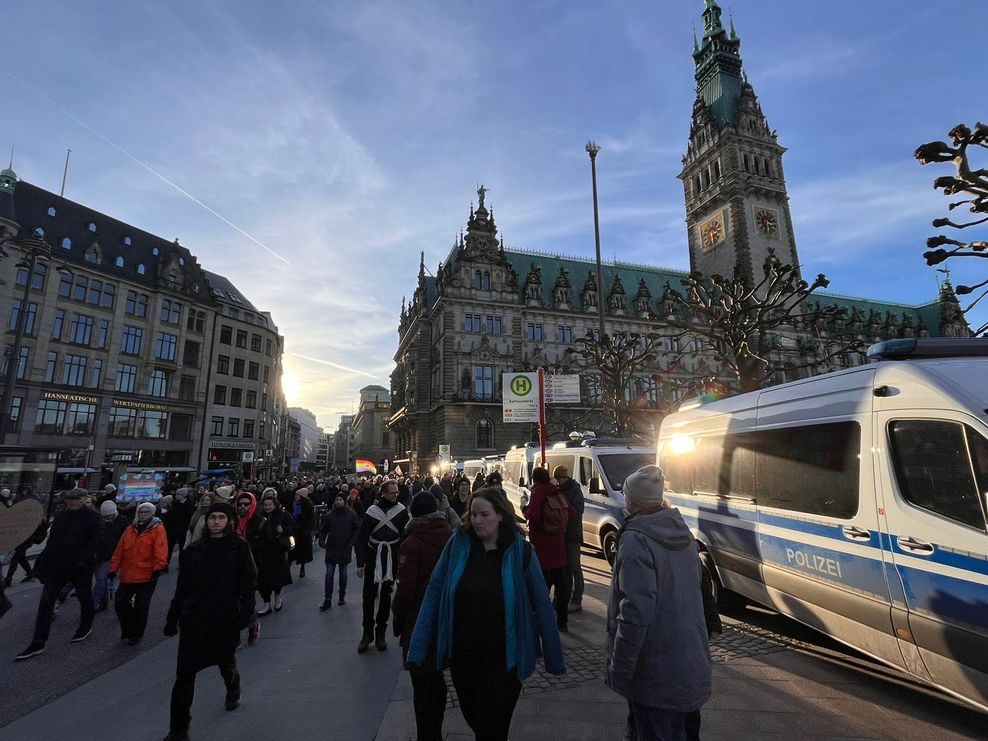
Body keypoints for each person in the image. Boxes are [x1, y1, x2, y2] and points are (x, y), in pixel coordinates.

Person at [408, 488, 565, 741]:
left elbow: (542, 606)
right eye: (474, 515)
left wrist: (553, 657)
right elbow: (435, 592)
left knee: (494, 727)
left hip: (504, 660)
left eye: (484, 514)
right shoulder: (457, 545)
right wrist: (418, 646)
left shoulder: (521, 553)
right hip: (464, 657)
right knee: (476, 719)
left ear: (501, 515)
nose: (477, 520)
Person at [605, 466, 712, 741]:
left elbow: (634, 612)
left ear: (631, 501)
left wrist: (620, 667)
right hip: (689, 663)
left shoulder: (636, 539)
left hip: (654, 671)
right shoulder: (682, 532)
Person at [163, 501, 257, 741]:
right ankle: (179, 729)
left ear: (229, 521)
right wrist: (173, 618)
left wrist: (246, 614)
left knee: (225, 661)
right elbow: (182, 587)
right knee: (184, 675)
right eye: (212, 517)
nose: (216, 522)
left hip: (224, 616)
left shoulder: (238, 547)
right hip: (195, 617)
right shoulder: (194, 551)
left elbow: (248, 582)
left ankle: (233, 686)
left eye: (221, 518)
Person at [392, 492, 453, 741]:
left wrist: (397, 614)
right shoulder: (450, 537)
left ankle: (426, 736)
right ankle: (435, 731)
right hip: (445, 614)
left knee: (420, 679)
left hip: (419, 617)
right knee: (436, 676)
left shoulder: (412, 542)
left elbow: (406, 588)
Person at [16, 488, 102, 660]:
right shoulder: (61, 517)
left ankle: (85, 626)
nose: (73, 502)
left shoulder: (94, 517)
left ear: (85, 499)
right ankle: (38, 641)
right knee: (46, 602)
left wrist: (81, 561)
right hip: (58, 567)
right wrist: (43, 563)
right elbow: (52, 542)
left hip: (80, 568)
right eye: (70, 499)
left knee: (84, 597)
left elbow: (95, 543)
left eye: (77, 499)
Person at [355, 479, 408, 653]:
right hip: (372, 556)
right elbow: (362, 538)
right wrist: (360, 563)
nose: (395, 495)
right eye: (392, 492)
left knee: (386, 595)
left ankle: (380, 633)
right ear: (384, 493)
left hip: (391, 557)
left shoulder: (401, 512)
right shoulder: (372, 512)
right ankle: (367, 632)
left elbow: (404, 538)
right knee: (368, 595)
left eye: (397, 493)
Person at [111, 501, 169, 645]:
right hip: (128, 573)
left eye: (146, 512)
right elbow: (120, 549)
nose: (143, 515)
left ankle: (136, 633)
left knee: (141, 606)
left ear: (152, 513)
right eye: (141, 512)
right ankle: (128, 628)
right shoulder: (130, 528)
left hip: (147, 574)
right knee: (120, 603)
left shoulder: (157, 529)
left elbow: (160, 549)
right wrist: (113, 568)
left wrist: (159, 567)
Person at [525, 467, 575, 632]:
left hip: (542, 548)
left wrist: (525, 510)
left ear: (534, 479)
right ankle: (563, 622)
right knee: (561, 588)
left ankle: (541, 622)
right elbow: (572, 512)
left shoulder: (537, 493)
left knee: (542, 588)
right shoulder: (557, 492)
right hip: (558, 546)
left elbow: (534, 515)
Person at [252, 491, 295, 615]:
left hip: (278, 550)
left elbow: (294, 527)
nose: (267, 507)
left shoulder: (283, 515)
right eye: (265, 505)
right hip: (262, 551)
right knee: (263, 579)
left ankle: (277, 597)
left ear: (275, 505)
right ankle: (266, 603)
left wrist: (284, 530)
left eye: (269, 505)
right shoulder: (259, 516)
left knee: (277, 577)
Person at [317, 493, 360, 611]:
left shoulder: (351, 514)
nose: (338, 502)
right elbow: (323, 529)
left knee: (343, 574)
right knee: (329, 574)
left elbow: (356, 529)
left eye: (340, 499)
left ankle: (341, 595)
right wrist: (321, 540)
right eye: (337, 499)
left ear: (344, 501)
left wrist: (351, 542)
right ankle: (327, 599)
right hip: (332, 548)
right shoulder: (330, 515)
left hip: (344, 548)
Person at [553, 465, 585, 613]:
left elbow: (578, 511)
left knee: (575, 567)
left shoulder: (574, 490)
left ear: (565, 477)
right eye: (557, 478)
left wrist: (563, 509)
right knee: (565, 569)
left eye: (560, 478)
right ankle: (566, 596)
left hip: (573, 534)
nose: (558, 481)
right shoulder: (559, 490)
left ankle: (577, 599)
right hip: (562, 535)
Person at [93, 500, 128, 612]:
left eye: (110, 516)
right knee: (101, 580)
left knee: (101, 580)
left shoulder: (122, 521)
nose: (107, 519)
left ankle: (93, 603)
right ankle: (103, 601)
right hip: (98, 554)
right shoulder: (98, 521)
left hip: (111, 555)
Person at [289, 487, 315, 579]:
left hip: (303, 532)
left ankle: (302, 568)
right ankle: (287, 569)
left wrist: (308, 530)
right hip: (294, 531)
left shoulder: (308, 506)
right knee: (291, 550)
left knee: (302, 552)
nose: (295, 496)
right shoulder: (295, 504)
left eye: (297, 495)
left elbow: (311, 519)